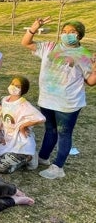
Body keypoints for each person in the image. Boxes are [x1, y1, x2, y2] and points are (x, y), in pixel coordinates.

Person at [21, 17, 96, 179]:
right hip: (47, 99)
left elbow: (90, 81)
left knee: (64, 133)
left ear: (80, 35)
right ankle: (43, 157)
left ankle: (58, 167)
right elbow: (26, 43)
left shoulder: (84, 55)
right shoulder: (50, 46)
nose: (67, 34)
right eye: (64, 31)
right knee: (50, 130)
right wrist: (34, 27)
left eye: (72, 32)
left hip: (68, 103)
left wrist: (95, 68)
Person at [0, 76, 45, 174]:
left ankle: (28, 157)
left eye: (17, 86)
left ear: (23, 89)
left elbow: (41, 118)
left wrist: (23, 126)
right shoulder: (5, 100)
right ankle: (9, 156)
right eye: (12, 84)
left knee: (0, 167)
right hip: (7, 139)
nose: (13, 87)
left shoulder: (24, 104)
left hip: (20, 141)